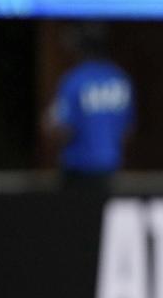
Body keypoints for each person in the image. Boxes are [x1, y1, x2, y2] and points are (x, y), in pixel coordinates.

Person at [44, 23, 134, 189]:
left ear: (80, 48)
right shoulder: (120, 78)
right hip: (110, 166)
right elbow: (126, 129)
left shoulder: (75, 79)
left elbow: (59, 127)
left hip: (77, 169)